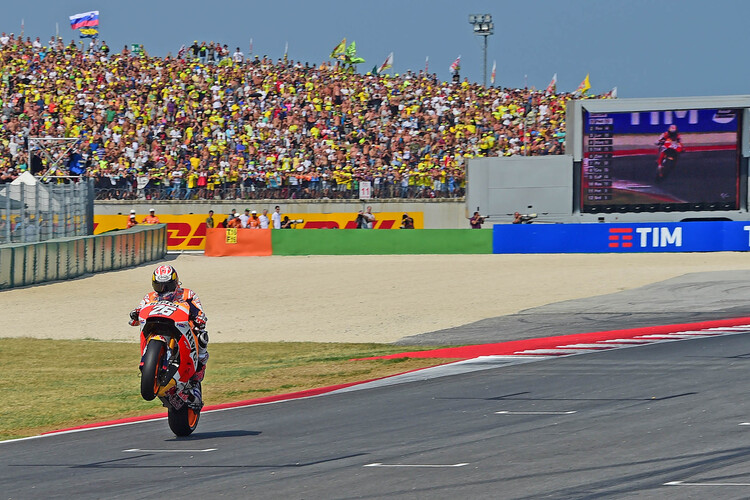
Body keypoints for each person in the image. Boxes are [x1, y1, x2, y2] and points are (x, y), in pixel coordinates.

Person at [128, 265, 209, 405]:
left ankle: (200, 368)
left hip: (182, 327)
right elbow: (138, 314)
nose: (163, 290)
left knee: (202, 336)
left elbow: (199, 311)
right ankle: (149, 364)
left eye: (168, 286)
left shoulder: (188, 294)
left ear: (176, 283)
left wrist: (199, 317)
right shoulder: (149, 297)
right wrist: (135, 314)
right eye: (159, 286)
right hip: (157, 325)